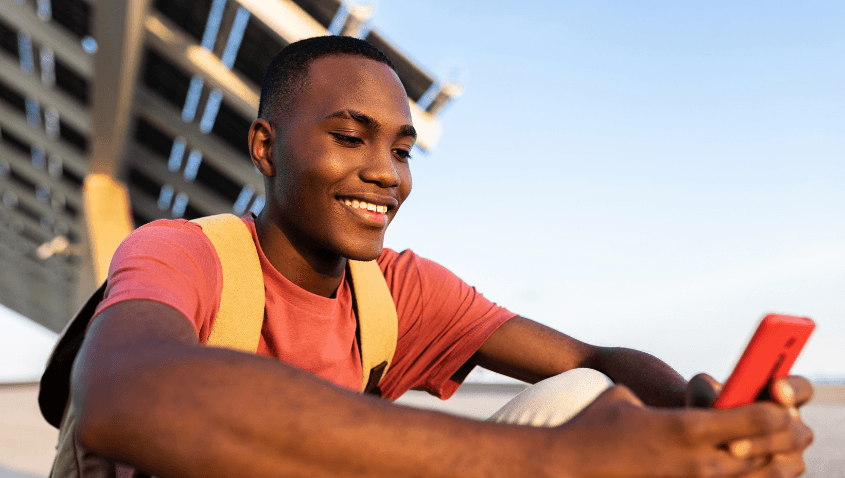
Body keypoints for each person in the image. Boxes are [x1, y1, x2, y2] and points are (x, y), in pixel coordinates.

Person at [66, 36, 813, 477]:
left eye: (399, 149)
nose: (386, 173)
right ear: (265, 147)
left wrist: (694, 416)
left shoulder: (396, 292)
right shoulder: (183, 254)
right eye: (349, 137)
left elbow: (593, 359)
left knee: (583, 398)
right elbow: (122, 393)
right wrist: (549, 463)